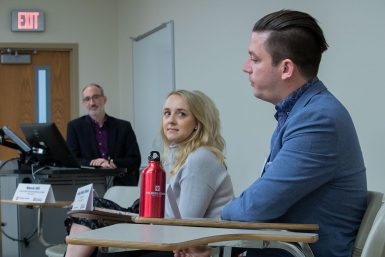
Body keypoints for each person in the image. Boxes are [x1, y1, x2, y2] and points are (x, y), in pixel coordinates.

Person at [174, 9, 367, 257]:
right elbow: (260, 201)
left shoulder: (317, 120)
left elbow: (253, 208)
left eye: (254, 59)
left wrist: (216, 229)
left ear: (286, 68)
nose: (246, 67)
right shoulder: (301, 112)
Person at [66, 89, 234, 257]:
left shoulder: (201, 158)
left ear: (198, 122)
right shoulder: (175, 155)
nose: (171, 120)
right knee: (89, 210)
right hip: (165, 234)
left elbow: (184, 224)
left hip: (182, 245)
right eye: (167, 113)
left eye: (181, 114)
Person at [67, 83, 141, 186]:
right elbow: (72, 160)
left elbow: (135, 160)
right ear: (84, 103)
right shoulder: (75, 127)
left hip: (121, 185)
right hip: (88, 184)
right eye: (87, 99)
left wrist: (111, 162)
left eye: (96, 97)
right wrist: (94, 163)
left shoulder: (124, 127)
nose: (92, 103)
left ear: (104, 100)